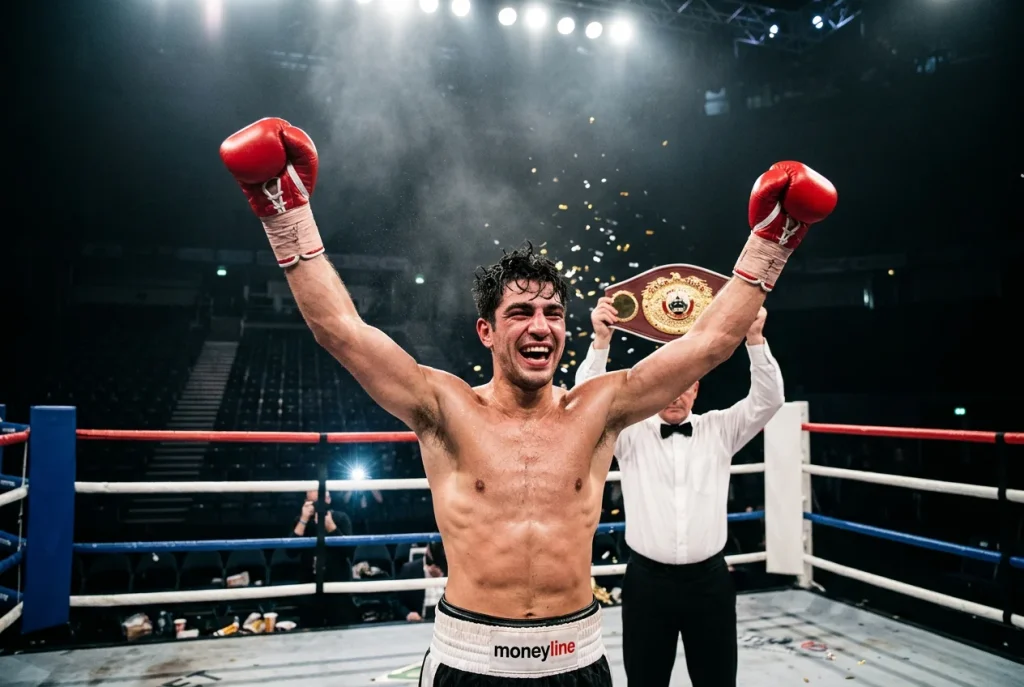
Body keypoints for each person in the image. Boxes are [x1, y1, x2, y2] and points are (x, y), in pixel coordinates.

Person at [219, 117, 836, 686]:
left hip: (577, 657)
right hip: (469, 660)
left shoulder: (600, 410)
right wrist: (286, 214)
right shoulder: (443, 406)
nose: (541, 326)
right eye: (520, 312)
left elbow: (708, 343)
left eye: (553, 313)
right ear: (486, 330)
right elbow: (342, 332)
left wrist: (773, 241)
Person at [575, 301, 784, 686]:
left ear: (696, 388)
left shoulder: (721, 429)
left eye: (684, 387)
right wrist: (601, 342)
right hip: (646, 583)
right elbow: (585, 405)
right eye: (667, 387)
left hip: (710, 583)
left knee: (717, 680)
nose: (675, 397)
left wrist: (755, 339)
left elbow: (769, 401)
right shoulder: (630, 434)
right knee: (645, 680)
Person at [393, 541, 448, 622]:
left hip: (446, 622)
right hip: (419, 622)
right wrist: (408, 614)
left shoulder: (455, 570)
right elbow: (396, 601)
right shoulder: (409, 570)